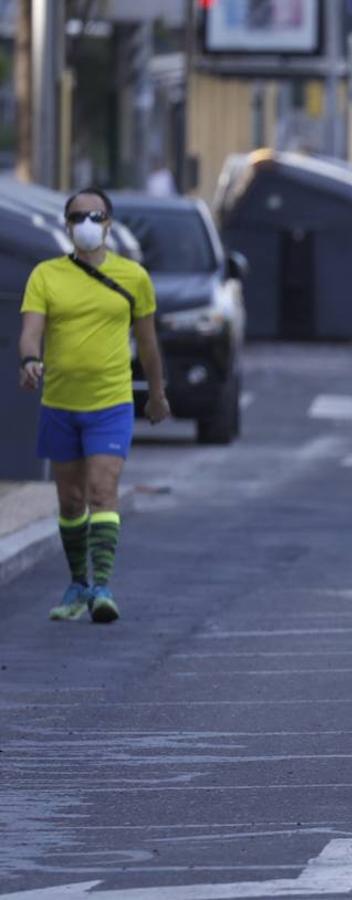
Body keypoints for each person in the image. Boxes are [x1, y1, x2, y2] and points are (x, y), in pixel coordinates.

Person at [17, 188, 168, 623]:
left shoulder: (134, 276)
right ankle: (77, 583)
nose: (86, 222)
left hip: (111, 402)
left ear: (108, 224)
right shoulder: (45, 275)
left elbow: (148, 343)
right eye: (78, 215)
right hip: (60, 403)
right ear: (67, 225)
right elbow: (31, 331)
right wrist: (30, 360)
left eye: (94, 215)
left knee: (103, 491)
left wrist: (156, 394)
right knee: (70, 501)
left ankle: (102, 585)